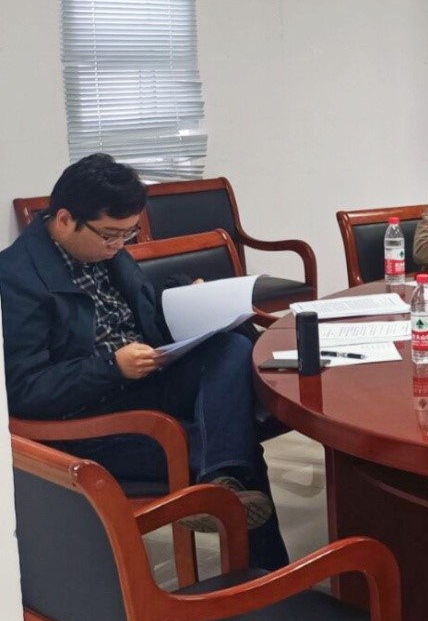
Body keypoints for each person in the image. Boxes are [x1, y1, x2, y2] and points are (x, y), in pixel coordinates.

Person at [0, 154, 290, 570]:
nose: (119, 245)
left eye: (128, 233)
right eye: (110, 235)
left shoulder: (109, 253)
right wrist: (111, 367)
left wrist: (189, 299)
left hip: (145, 380)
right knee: (233, 441)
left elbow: (146, 318)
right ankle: (262, 571)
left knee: (230, 349)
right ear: (64, 219)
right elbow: (23, 391)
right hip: (91, 422)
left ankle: (219, 483)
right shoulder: (16, 278)